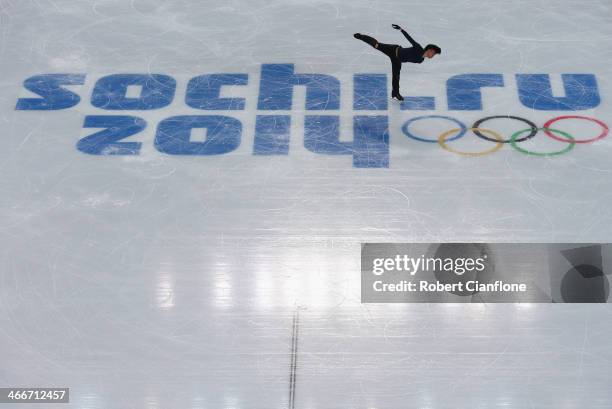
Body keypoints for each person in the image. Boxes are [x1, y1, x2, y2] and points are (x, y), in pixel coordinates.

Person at [354, 24, 441, 101]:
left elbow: (408, 57)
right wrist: (401, 29)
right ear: (430, 50)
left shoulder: (421, 60)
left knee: (396, 76)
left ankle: (395, 93)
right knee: (376, 45)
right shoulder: (418, 48)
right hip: (393, 50)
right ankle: (361, 37)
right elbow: (410, 39)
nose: (433, 56)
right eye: (434, 53)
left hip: (397, 60)